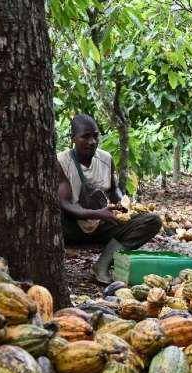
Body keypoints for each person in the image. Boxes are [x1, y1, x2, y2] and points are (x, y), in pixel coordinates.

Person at [58, 114, 161, 284]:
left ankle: (103, 265)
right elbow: (64, 203)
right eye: (85, 136)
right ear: (73, 139)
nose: (92, 141)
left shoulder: (105, 159)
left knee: (152, 221)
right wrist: (98, 213)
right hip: (71, 228)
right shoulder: (62, 161)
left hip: (101, 225)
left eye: (95, 136)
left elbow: (114, 191)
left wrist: (124, 205)